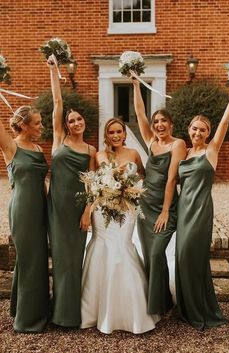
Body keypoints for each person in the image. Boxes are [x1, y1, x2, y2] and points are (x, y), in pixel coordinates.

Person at [80, 118, 159, 334]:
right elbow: (91, 185)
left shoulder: (134, 153)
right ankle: (95, 310)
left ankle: (132, 309)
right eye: (111, 132)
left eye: (119, 132)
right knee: (102, 247)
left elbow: (143, 176)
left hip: (127, 210)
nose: (115, 136)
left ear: (124, 133)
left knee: (123, 248)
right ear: (106, 135)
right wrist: (88, 211)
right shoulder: (99, 155)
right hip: (103, 210)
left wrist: (130, 189)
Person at [175, 85, 229, 330]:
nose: (198, 132)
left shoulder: (211, 151)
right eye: (195, 128)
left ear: (208, 133)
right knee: (181, 258)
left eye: (203, 129)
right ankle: (187, 309)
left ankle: (201, 310)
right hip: (182, 211)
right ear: (188, 130)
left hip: (200, 212)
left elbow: (223, 124)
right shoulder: (185, 152)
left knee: (192, 256)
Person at [47, 56, 96, 327]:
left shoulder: (90, 150)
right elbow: (57, 104)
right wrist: (55, 71)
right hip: (56, 207)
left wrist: (88, 211)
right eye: (72, 120)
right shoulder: (59, 139)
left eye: (79, 120)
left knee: (74, 259)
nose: (76, 123)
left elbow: (91, 183)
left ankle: (70, 314)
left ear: (84, 123)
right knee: (60, 259)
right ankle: (58, 311)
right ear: (66, 125)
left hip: (77, 209)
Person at [131, 75, 186, 316]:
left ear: (171, 124)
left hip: (164, 207)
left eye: (164, 121)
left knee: (156, 252)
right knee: (149, 256)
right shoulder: (152, 142)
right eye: (157, 122)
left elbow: (172, 179)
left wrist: (166, 210)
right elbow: (140, 113)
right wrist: (135, 85)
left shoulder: (178, 145)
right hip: (145, 205)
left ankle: (161, 301)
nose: (159, 124)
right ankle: (159, 301)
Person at [0, 105, 49, 333]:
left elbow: (43, 182)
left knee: (37, 260)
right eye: (37, 123)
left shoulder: (38, 147)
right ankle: (27, 320)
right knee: (29, 259)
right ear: (23, 125)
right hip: (23, 210)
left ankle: (27, 308)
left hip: (42, 208)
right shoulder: (11, 146)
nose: (41, 127)